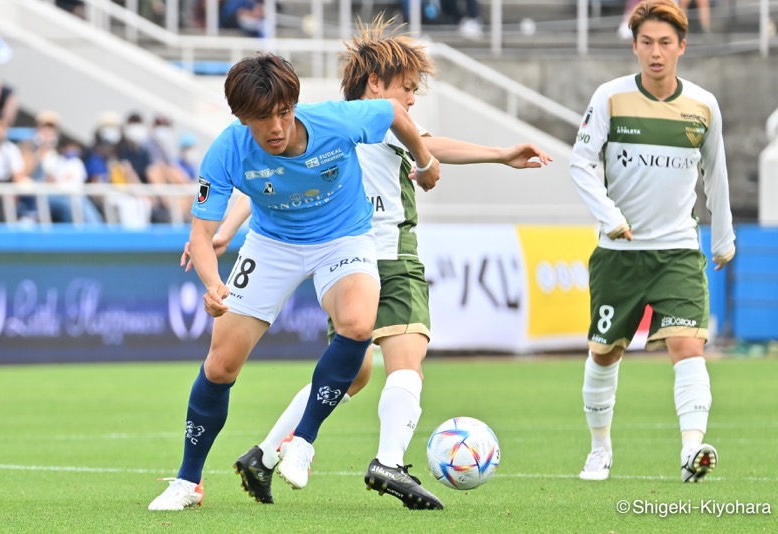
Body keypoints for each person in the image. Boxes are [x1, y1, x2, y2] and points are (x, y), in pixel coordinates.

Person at [182, 16, 552, 510]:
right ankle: (383, 461)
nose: (412, 99)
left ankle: (271, 452)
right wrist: (489, 154)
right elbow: (274, 182)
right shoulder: (357, 117)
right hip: (377, 250)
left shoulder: (339, 121)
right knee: (403, 356)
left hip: (346, 250)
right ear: (377, 85)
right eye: (408, 88)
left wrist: (227, 231)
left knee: (356, 370)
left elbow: (287, 176)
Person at [148, 52, 440, 511]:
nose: (277, 127)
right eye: (263, 118)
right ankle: (188, 482)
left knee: (359, 325)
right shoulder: (227, 149)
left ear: (295, 105)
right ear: (242, 118)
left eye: (284, 112)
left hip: (343, 237)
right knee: (221, 365)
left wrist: (424, 162)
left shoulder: (337, 121)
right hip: (272, 245)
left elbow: (394, 113)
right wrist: (212, 283)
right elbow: (200, 236)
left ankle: (302, 439)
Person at [569, 0, 735, 483]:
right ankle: (600, 450)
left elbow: (716, 174)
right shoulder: (610, 98)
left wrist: (722, 237)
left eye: (665, 43)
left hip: (678, 251)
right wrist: (610, 217)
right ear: (635, 45)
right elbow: (580, 164)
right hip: (618, 255)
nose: (655, 52)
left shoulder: (702, 106)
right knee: (604, 352)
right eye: (646, 43)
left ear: (682, 46)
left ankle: (691, 450)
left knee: (687, 344)